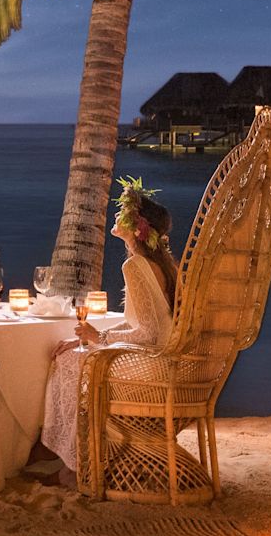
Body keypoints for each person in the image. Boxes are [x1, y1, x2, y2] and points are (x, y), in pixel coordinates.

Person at [30, 181, 176, 486]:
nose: (115, 216)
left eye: (122, 212)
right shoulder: (159, 264)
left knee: (70, 363)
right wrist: (87, 338)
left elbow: (147, 331)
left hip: (149, 362)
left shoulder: (135, 265)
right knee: (73, 353)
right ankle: (66, 452)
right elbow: (143, 323)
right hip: (162, 356)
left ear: (137, 227)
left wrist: (100, 339)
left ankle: (71, 462)